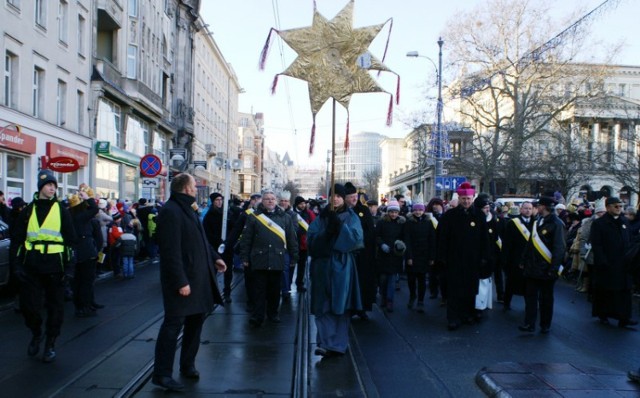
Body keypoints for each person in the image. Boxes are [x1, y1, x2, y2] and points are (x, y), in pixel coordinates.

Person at [152, 173, 226, 391]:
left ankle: (188, 365)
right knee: (172, 326)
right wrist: (180, 281)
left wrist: (216, 258)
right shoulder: (170, 211)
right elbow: (170, 252)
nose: (196, 188)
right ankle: (162, 374)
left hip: (199, 278)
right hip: (183, 281)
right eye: (194, 185)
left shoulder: (190, 209)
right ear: (185, 188)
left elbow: (201, 240)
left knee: (195, 323)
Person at [13, 169, 77, 363]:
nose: (52, 188)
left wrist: (69, 269)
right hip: (32, 265)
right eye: (49, 185)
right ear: (41, 187)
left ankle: (50, 342)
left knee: (56, 308)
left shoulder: (62, 211)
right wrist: (17, 265)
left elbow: (71, 241)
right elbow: (17, 240)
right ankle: (36, 331)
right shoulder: (27, 211)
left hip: (55, 267)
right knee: (28, 306)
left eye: (54, 186)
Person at [308, 183, 363, 357]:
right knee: (322, 304)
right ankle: (325, 342)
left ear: (343, 198)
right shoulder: (321, 218)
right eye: (333, 196)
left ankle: (338, 344)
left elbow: (356, 240)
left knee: (340, 304)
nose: (336, 199)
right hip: (322, 265)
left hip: (342, 265)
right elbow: (311, 240)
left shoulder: (352, 216)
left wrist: (339, 227)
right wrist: (326, 234)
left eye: (339, 196)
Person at [239, 189, 298, 327]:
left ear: (276, 201)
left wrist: (294, 257)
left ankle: (273, 314)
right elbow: (246, 239)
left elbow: (291, 239)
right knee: (258, 290)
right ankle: (258, 316)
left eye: (272, 198)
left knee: (274, 290)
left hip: (277, 259)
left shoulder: (285, 217)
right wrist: (244, 257)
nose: (270, 201)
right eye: (267, 199)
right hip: (259, 259)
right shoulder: (254, 217)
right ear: (262, 201)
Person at [436, 182, 491, 331]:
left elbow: (485, 238)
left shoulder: (479, 215)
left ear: (472, 198)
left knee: (470, 289)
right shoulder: (450, 216)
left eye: (468, 198)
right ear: (459, 198)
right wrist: (442, 257)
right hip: (454, 259)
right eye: (463, 198)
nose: (466, 201)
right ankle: (453, 318)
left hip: (473, 260)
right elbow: (442, 238)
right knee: (454, 290)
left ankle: (467, 315)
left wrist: (484, 257)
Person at [518, 196, 565, 334]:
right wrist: (523, 260)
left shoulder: (557, 223)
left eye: (538, 205)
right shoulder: (537, 220)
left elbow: (559, 248)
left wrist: (554, 268)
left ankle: (545, 324)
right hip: (532, 266)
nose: (536, 208)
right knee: (530, 298)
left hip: (547, 268)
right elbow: (530, 243)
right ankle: (529, 323)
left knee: (546, 299)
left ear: (543, 207)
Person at [590, 197, 637, 328]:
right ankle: (603, 314)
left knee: (625, 291)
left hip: (624, 263)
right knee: (607, 291)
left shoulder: (624, 222)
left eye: (620, 206)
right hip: (608, 263)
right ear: (608, 207)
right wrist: (602, 261)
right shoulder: (599, 224)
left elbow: (630, 240)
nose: (619, 209)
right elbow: (597, 245)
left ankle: (624, 317)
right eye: (616, 206)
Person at [345, 183, 376, 319]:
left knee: (363, 281)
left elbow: (370, 231)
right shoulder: (342, 211)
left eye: (355, 196)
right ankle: (349, 308)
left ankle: (362, 308)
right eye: (351, 197)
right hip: (347, 252)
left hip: (363, 253)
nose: (354, 199)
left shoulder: (363, 210)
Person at [68, 190, 101, 318]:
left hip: (74, 252)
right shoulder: (81, 216)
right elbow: (94, 209)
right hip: (86, 252)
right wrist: (88, 198)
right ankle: (85, 306)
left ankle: (79, 307)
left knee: (76, 282)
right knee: (86, 281)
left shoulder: (68, 215)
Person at [501, 201, 534, 311]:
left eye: (530, 208)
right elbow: (507, 243)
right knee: (511, 283)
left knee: (529, 285)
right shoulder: (513, 223)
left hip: (530, 260)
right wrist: (505, 260)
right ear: (521, 210)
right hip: (515, 258)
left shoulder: (536, 223)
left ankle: (529, 305)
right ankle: (507, 303)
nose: (528, 210)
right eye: (525, 208)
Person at [202, 192, 234, 303]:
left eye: (221, 200)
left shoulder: (228, 214)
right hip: (215, 248)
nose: (219, 202)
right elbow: (207, 233)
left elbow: (233, 229)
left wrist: (228, 241)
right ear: (213, 201)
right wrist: (217, 241)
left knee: (228, 270)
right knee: (213, 270)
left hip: (227, 247)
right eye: (217, 200)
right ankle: (211, 293)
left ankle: (227, 292)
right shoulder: (209, 216)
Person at [404, 201, 436, 313]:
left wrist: (432, 257)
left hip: (424, 255)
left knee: (422, 279)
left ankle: (421, 301)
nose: (418, 212)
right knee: (411, 279)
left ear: (424, 211)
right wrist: (409, 257)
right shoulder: (408, 223)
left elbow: (432, 240)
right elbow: (407, 240)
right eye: (416, 210)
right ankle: (413, 295)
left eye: (420, 210)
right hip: (412, 254)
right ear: (413, 211)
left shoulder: (428, 223)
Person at [375, 200, 406, 312]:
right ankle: (383, 296)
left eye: (395, 212)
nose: (393, 214)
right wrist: (382, 244)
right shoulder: (381, 222)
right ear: (388, 212)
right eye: (391, 212)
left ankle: (389, 300)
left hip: (395, 255)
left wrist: (400, 246)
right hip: (383, 256)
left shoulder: (401, 223)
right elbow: (377, 236)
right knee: (383, 280)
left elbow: (404, 237)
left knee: (392, 280)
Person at [293, 195, 316, 292]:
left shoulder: (309, 213)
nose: (303, 205)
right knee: (290, 266)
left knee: (302, 266)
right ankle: (286, 287)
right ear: (297, 204)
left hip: (303, 245)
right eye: (301, 203)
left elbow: (314, 224)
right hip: (293, 243)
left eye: (304, 203)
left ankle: (299, 284)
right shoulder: (292, 213)